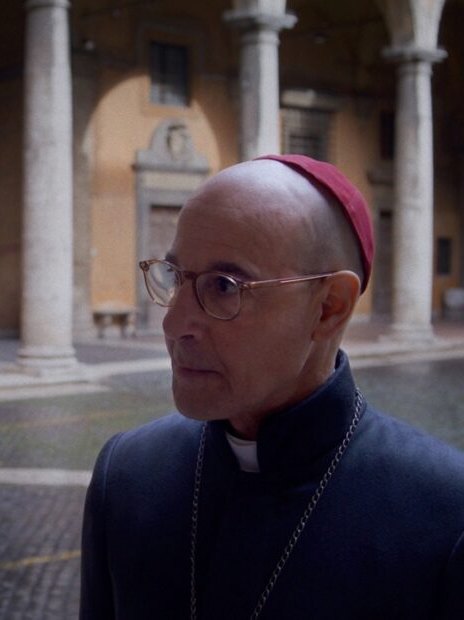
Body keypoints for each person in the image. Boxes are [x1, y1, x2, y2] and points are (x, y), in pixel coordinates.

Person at [80, 154, 464, 619]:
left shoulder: (446, 514)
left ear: (328, 308)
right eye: (175, 277)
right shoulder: (126, 474)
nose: (175, 322)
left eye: (224, 286)